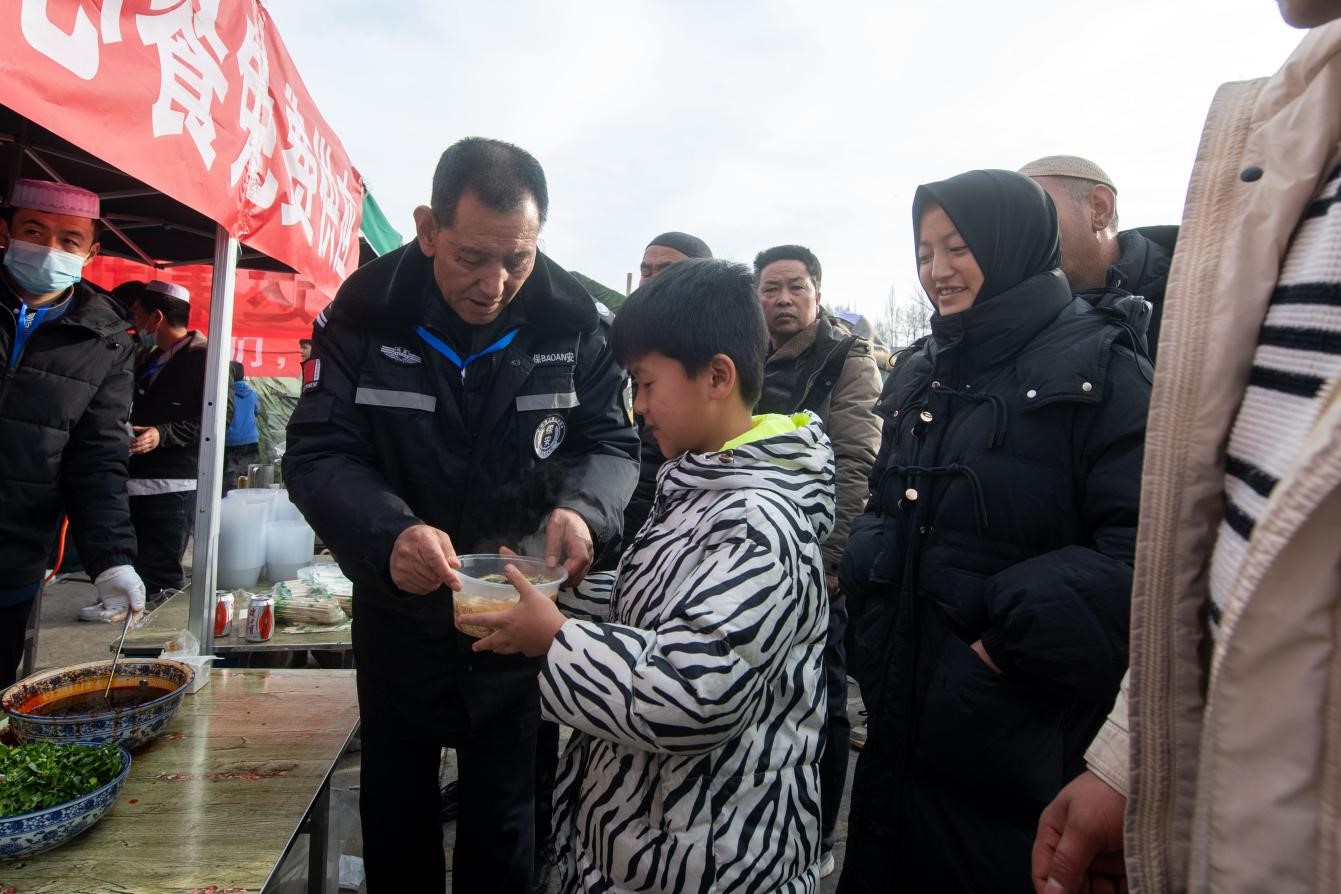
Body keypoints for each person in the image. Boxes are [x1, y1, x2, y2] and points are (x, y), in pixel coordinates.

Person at [1032, 6, 1341, 893]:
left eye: (1029, 214)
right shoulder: (1273, 174)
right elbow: (1216, 532)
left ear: (1100, 211)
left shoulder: (1169, 292)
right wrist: (1134, 756)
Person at [282, 137, 639, 893]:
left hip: (514, 610)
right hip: (399, 605)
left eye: (518, 258)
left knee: (506, 818)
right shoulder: (363, 319)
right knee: (396, 807)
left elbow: (611, 441)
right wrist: (389, 536)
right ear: (427, 227)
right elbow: (318, 453)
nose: (495, 283)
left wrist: (583, 511)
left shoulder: (573, 327)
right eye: (473, 257)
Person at [469, 258, 835, 893]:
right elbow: (670, 615)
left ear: (717, 376)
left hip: (710, 859)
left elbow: (694, 693)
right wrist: (558, 593)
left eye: (644, 384)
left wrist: (556, 636)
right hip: (645, 838)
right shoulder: (702, 484)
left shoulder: (756, 520)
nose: (636, 409)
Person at [837, 170, 1151, 892]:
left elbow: (1145, 555)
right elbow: (886, 507)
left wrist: (995, 649)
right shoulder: (921, 367)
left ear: (1012, 242)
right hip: (899, 719)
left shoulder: (1104, 366)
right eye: (923, 252)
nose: (936, 271)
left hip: (1022, 743)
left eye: (957, 247)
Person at [753, 243, 881, 877]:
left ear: (818, 293)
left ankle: (818, 834)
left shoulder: (846, 361)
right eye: (770, 288)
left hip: (814, 560)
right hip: (750, 559)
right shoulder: (746, 357)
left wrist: (832, 560)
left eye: (795, 287)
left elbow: (858, 463)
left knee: (824, 701)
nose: (782, 299)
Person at [0, 179, 144, 681]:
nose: (49, 249)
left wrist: (111, 558)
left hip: (12, 555)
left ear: (91, 252)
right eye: (34, 232)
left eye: (68, 241)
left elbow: (99, 456)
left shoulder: (106, 341)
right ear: (6, 231)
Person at [1019, 155, 1178, 360]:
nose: (1016, 235)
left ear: (1099, 208)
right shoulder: (1017, 316)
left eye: (1033, 213)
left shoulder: (1201, 294)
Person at [621, 231, 714, 542]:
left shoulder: (714, 359)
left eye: (666, 270)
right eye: (645, 270)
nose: (650, 279)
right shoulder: (619, 344)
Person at [125, 280, 215, 600]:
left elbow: (218, 419)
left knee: (162, 570)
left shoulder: (206, 358)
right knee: (135, 556)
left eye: (138, 314)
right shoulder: (152, 356)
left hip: (174, 482)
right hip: (137, 475)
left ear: (157, 318)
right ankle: (129, 605)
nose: (134, 321)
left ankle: (157, 637)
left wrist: (162, 434)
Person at [223, 360, 259, 494]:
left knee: (229, 480)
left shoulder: (225, 394)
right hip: (251, 441)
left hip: (230, 441)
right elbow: (257, 411)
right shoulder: (253, 393)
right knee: (248, 478)